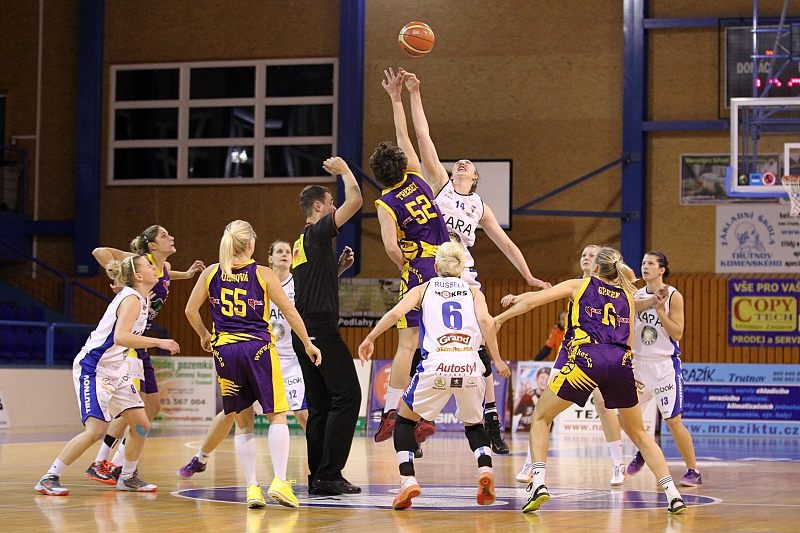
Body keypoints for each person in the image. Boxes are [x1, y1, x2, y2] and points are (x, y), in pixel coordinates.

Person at [375, 67, 551, 454]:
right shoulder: (437, 183)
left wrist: (529, 276)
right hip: (431, 269)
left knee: (477, 349)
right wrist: (413, 94)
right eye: (460, 161)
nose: (463, 163)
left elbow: (507, 245)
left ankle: (490, 422)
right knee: (422, 345)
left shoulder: (480, 207)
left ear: (476, 177)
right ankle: (409, 419)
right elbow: (419, 136)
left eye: (469, 165)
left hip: (463, 275)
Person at [494, 247, 686, 515]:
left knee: (540, 418)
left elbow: (534, 302)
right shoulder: (626, 296)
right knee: (639, 434)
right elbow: (629, 337)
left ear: (596, 267)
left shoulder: (580, 285)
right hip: (620, 363)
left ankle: (537, 483)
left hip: (587, 360)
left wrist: (499, 319)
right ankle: (673, 494)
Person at [358, 242, 511, 510]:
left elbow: (395, 313)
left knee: (404, 421)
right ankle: (485, 469)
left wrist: (371, 337)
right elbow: (487, 323)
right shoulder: (473, 291)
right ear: (461, 268)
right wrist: (497, 359)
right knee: (474, 425)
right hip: (470, 364)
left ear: (436, 265)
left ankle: (407, 480)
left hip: (436, 363)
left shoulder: (423, 288)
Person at [185, 220, 321, 509]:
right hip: (257, 349)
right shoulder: (262, 273)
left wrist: (205, 336)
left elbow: (190, 310)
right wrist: (308, 344)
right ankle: (280, 481)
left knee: (243, 422)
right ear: (250, 244)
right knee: (277, 416)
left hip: (225, 352)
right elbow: (290, 312)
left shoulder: (211, 272)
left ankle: (252, 488)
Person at [35, 255, 181, 496]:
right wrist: (159, 342)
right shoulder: (132, 299)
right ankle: (49, 477)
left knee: (141, 425)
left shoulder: (143, 298)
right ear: (138, 275)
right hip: (94, 367)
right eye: (148, 265)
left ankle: (127, 476)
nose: (153, 267)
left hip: (117, 368)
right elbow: (120, 337)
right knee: (96, 430)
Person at [506, 245, 638, 486]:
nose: (586, 258)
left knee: (604, 405)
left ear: (600, 263)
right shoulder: (577, 284)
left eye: (592, 255)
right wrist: (518, 298)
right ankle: (531, 463)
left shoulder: (612, 291)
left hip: (601, 352)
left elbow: (632, 307)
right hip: (570, 350)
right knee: (546, 408)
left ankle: (618, 464)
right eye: (583, 255)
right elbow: (542, 295)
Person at [85, 225, 205, 484]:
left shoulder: (163, 268)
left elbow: (167, 275)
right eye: (164, 236)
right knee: (134, 405)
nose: (171, 237)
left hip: (141, 344)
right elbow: (99, 251)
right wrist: (120, 278)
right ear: (151, 245)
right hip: (129, 344)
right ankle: (102, 461)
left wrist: (187, 274)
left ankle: (117, 464)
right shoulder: (141, 262)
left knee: (152, 407)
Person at [291, 156, 363, 496]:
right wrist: (346, 171)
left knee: (320, 405)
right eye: (330, 202)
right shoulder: (318, 232)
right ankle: (330, 473)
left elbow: (311, 284)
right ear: (319, 207)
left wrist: (337, 269)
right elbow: (356, 201)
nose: (334, 207)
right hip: (319, 329)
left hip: (303, 330)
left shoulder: (301, 242)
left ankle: (318, 477)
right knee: (348, 396)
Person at [626, 251, 702, 487]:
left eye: (650, 263)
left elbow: (677, 333)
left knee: (673, 421)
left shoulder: (674, 296)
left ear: (662, 270)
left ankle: (693, 471)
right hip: (639, 365)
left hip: (664, 365)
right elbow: (631, 312)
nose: (645, 266)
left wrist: (660, 311)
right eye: (643, 262)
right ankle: (645, 448)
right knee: (626, 418)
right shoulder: (635, 295)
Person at [512, 366, 551, 433]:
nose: (545, 380)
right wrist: (519, 397)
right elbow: (514, 412)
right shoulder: (527, 395)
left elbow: (542, 411)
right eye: (542, 377)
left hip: (540, 433)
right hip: (521, 432)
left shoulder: (551, 397)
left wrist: (532, 394)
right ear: (536, 379)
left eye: (548, 378)